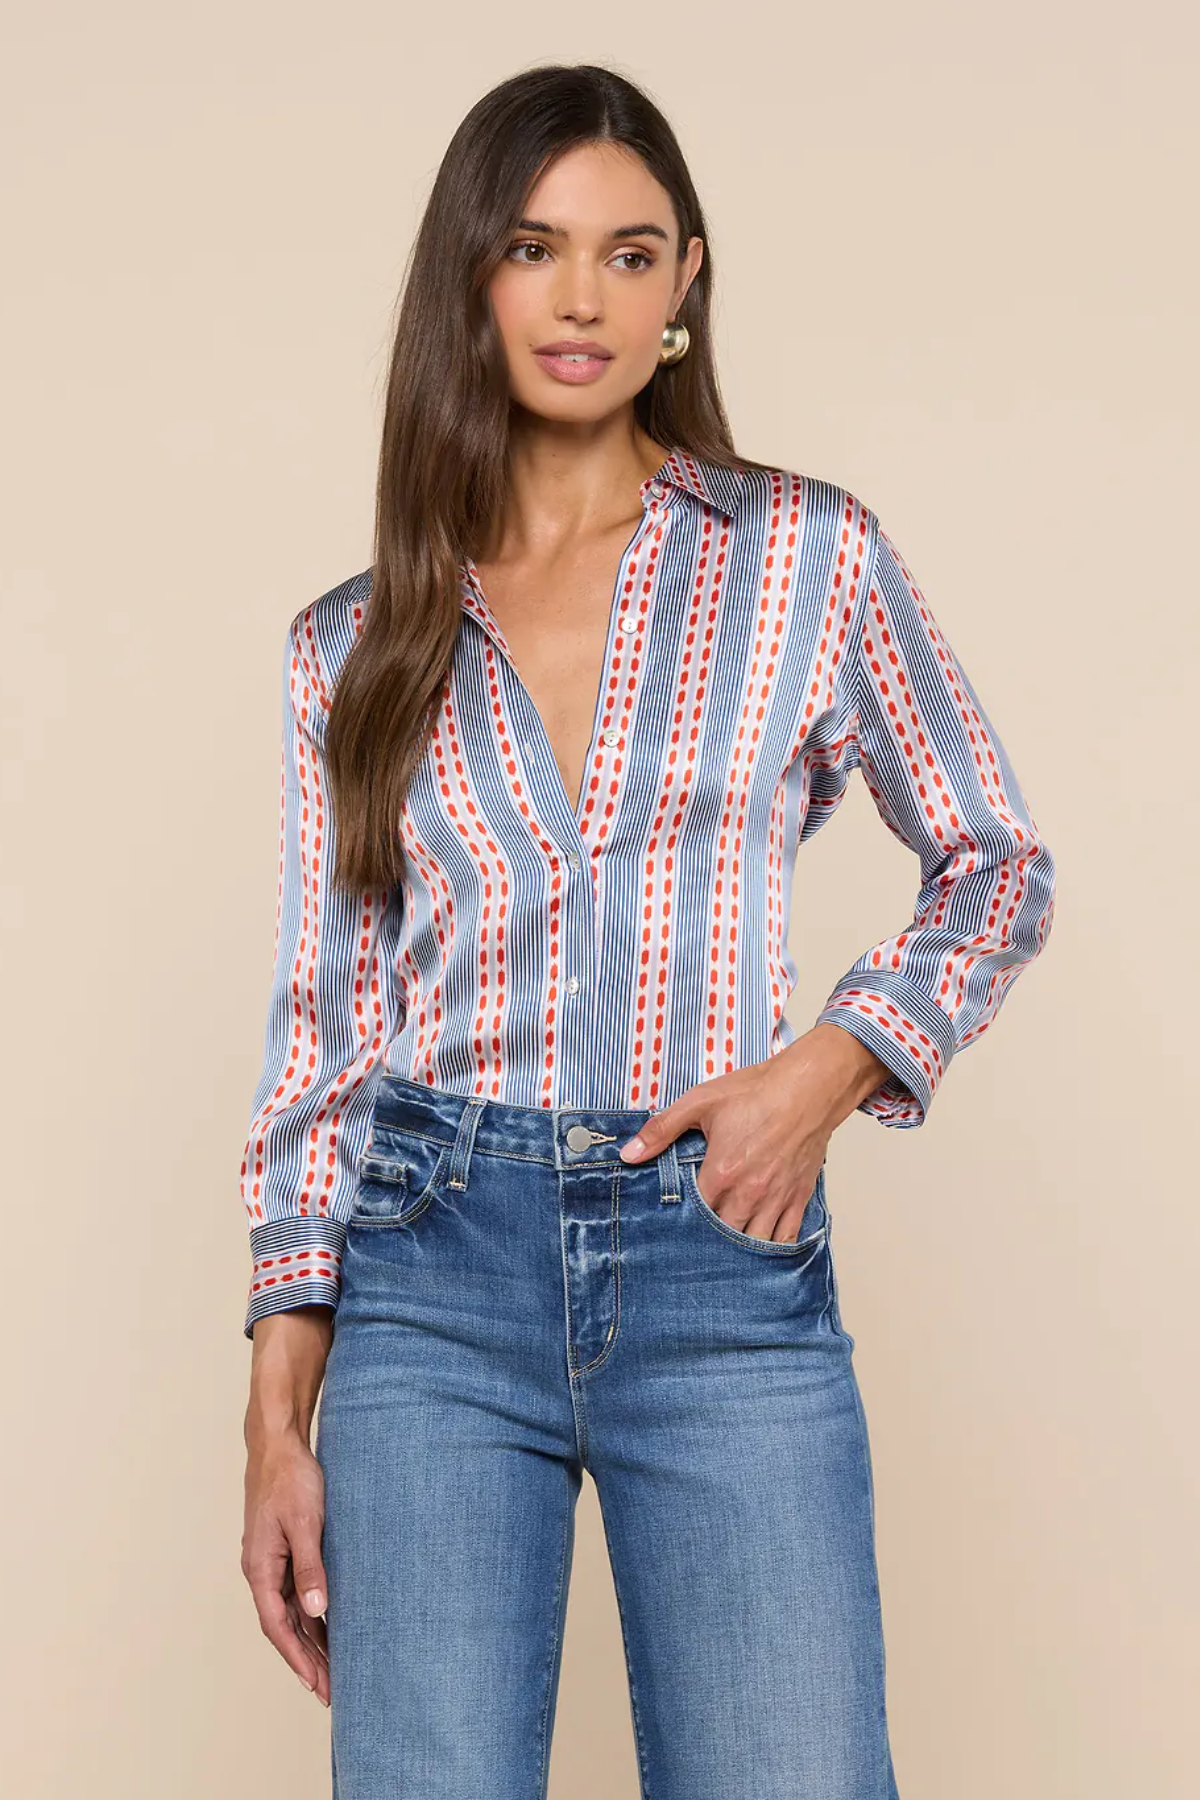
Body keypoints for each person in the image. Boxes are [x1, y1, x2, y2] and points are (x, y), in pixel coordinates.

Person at [238, 62, 1056, 1800]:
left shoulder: (805, 558)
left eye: (630, 252)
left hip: (721, 1271)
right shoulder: (353, 642)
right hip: (429, 1283)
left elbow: (995, 859)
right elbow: (328, 1029)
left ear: (687, 284)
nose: (582, 296)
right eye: (535, 248)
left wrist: (827, 1073)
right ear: (473, 276)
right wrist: (273, 1414)